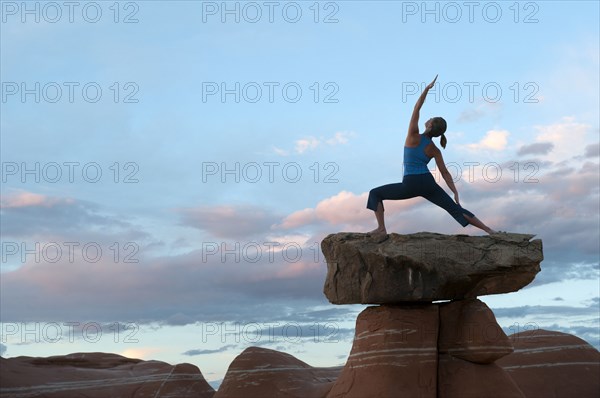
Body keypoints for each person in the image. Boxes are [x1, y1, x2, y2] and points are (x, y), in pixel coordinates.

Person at [366, 75, 497, 237]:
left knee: (375, 193)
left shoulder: (413, 136)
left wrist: (426, 90)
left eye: (431, 118)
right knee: (454, 209)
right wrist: (455, 192)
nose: (427, 118)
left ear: (430, 125)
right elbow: (445, 173)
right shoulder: (435, 149)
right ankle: (489, 230)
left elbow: (416, 108)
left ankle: (381, 229)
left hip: (411, 183)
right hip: (428, 182)